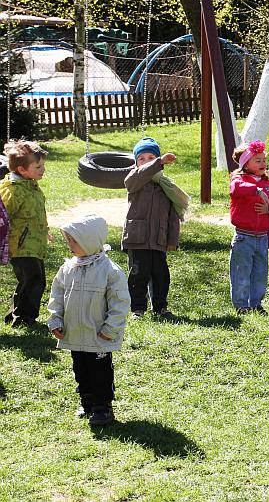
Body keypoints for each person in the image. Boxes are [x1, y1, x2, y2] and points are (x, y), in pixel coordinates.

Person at [46, 214, 129, 427]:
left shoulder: (110, 271)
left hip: (98, 335)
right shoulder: (67, 269)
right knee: (81, 370)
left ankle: (103, 408)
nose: (69, 245)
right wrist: (55, 320)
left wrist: (110, 329)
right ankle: (87, 402)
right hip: (74, 333)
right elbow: (57, 296)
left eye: (74, 241)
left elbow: (120, 303)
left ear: (89, 241)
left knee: (100, 372)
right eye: (68, 240)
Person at [122, 137, 189, 320]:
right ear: (136, 162)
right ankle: (138, 308)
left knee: (161, 276)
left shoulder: (165, 186)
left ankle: (160, 307)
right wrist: (157, 162)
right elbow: (134, 180)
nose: (146, 162)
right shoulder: (134, 180)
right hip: (137, 238)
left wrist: (172, 239)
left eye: (151, 157)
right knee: (138, 275)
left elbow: (173, 216)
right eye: (141, 158)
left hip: (159, 239)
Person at [228, 140, 269, 313]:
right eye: (258, 160)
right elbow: (236, 189)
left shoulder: (268, 184)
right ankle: (241, 305)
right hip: (243, 237)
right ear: (246, 164)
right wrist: (256, 190)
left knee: (260, 273)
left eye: (264, 160)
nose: (263, 163)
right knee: (241, 272)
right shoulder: (239, 179)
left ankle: (256, 304)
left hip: (262, 237)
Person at [1, 139, 49, 328]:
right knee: (33, 279)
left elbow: (35, 213)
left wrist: (45, 231)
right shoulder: (13, 191)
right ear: (21, 170)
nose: (43, 169)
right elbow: (3, 216)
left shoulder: (30, 185)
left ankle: (15, 314)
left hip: (34, 243)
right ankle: (23, 317)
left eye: (43, 165)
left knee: (33, 280)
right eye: (38, 166)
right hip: (21, 246)